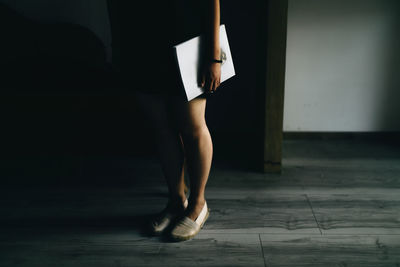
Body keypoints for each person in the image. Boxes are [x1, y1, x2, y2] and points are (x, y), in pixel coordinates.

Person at [107, 0, 222, 241]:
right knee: (161, 127)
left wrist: (214, 56)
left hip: (188, 40)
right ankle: (176, 200)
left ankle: (198, 204)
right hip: (141, 43)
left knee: (193, 126)